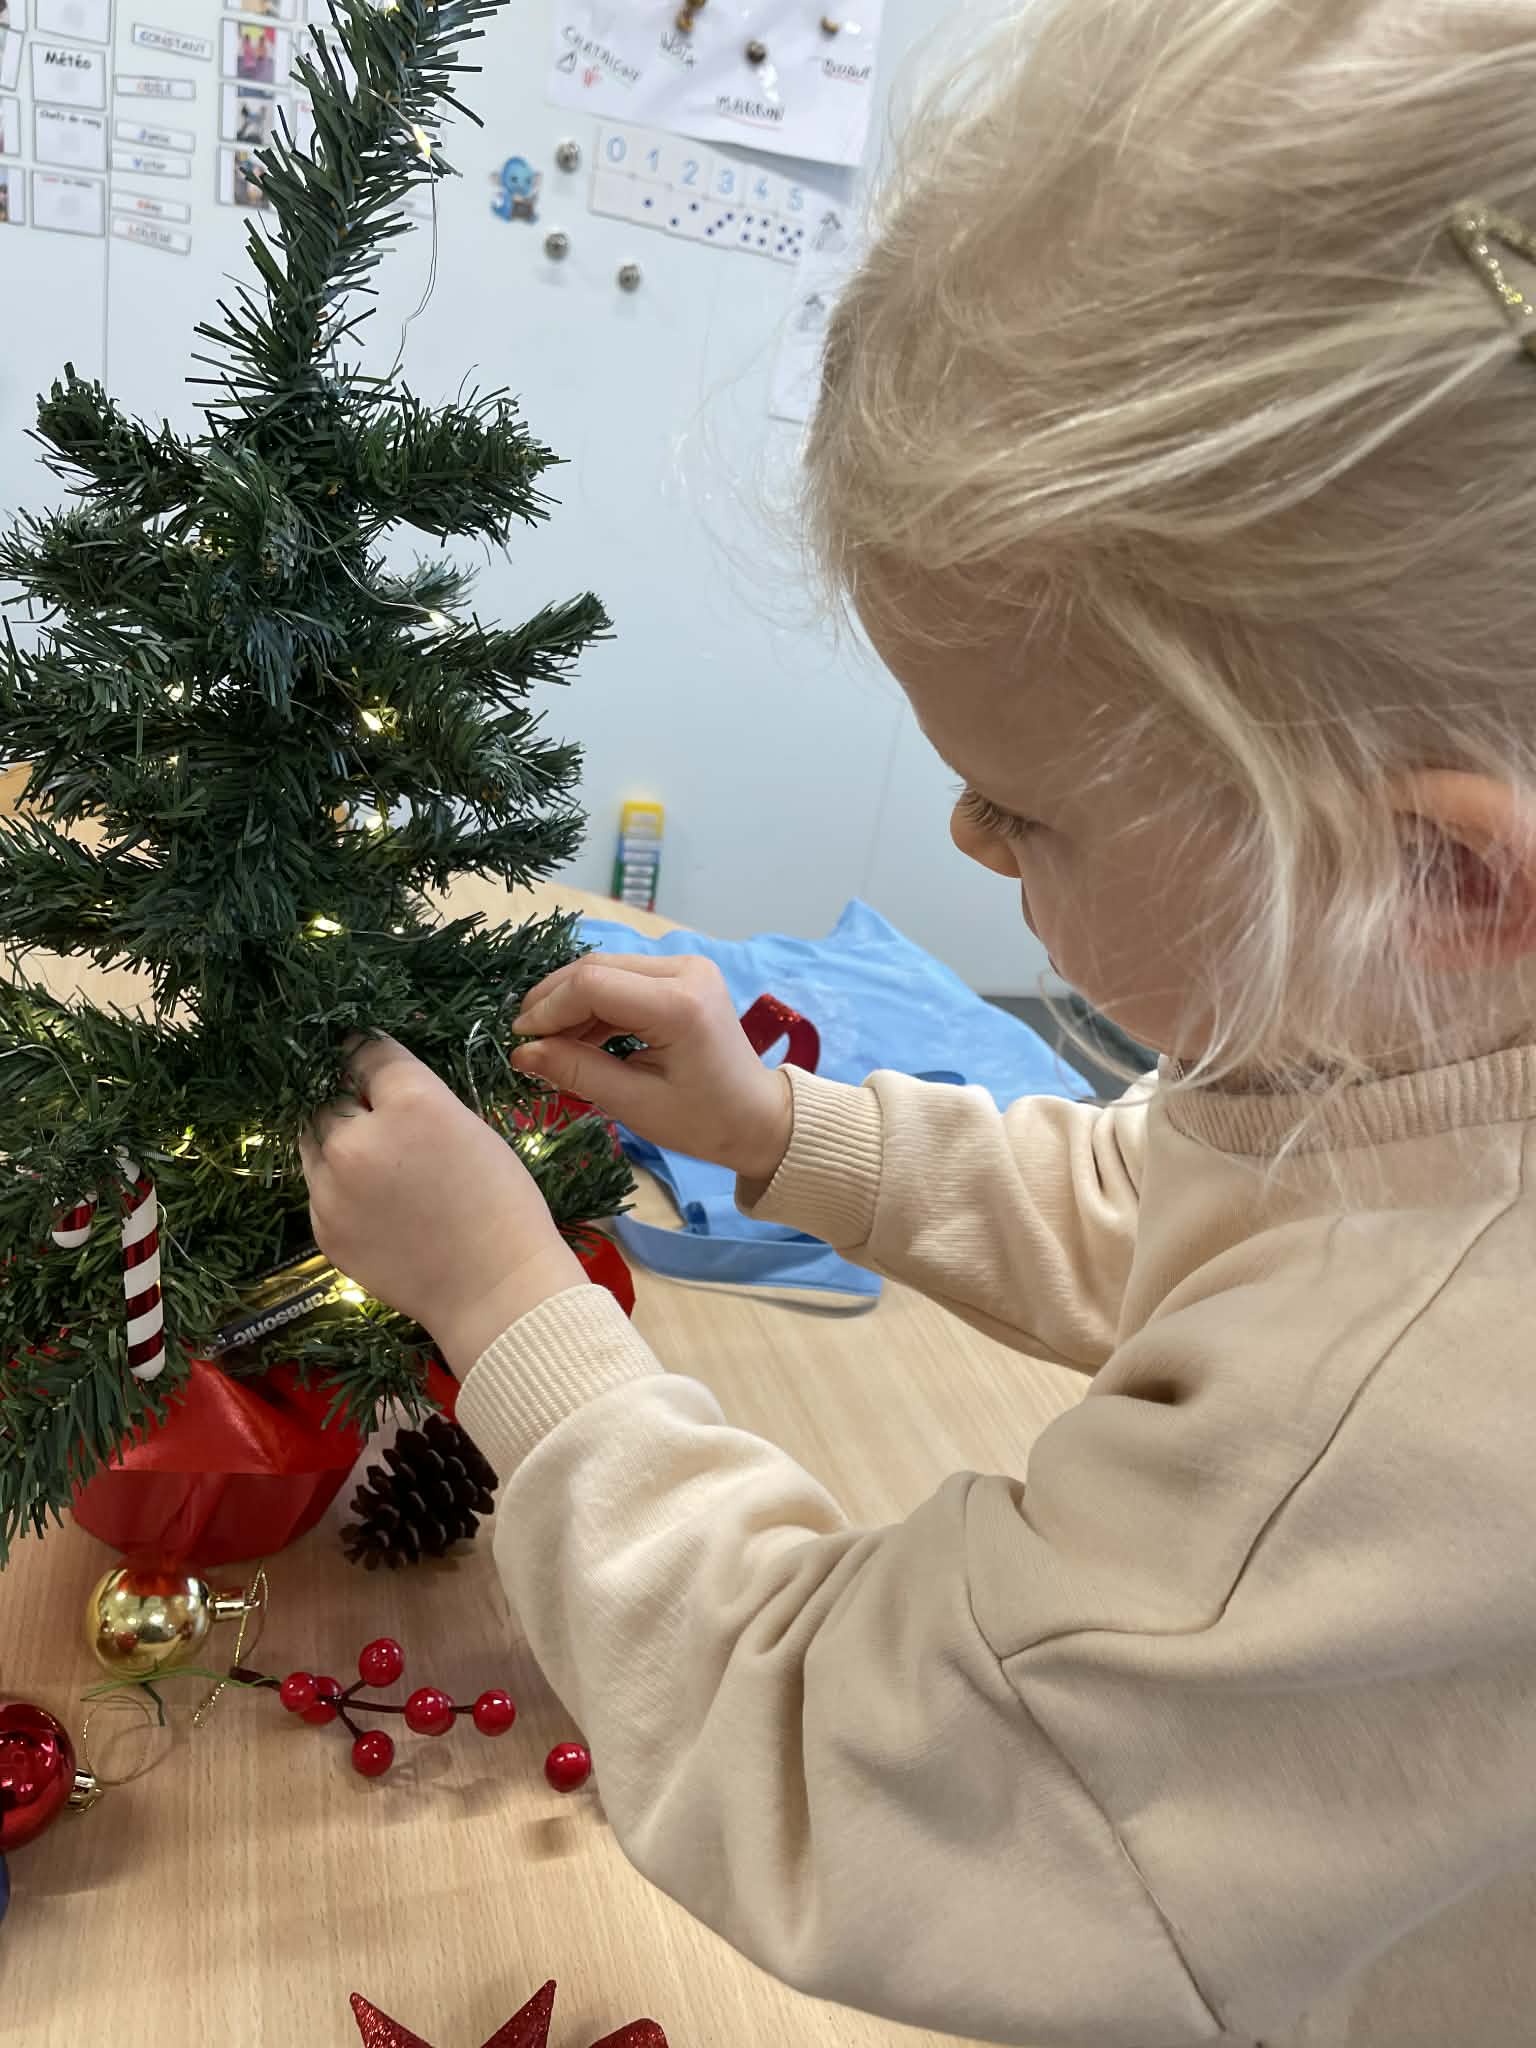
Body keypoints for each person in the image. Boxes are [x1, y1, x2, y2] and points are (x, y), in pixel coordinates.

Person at [300, 3, 1536, 2042]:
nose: (967, 834)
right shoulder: (1424, 1036)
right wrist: (788, 1131)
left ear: (1443, 881)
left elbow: (847, 1760)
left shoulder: (1416, 1408)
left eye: (1022, 811)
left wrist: (509, 1303)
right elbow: (1184, 1209)